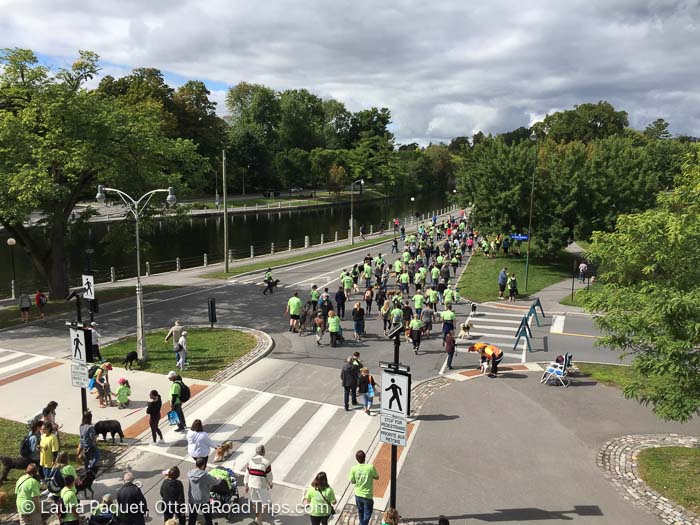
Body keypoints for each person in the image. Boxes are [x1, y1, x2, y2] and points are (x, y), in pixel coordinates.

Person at [244, 445, 273, 525]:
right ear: (263, 452)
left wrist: (246, 485)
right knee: (266, 503)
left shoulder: (250, 461)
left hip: (251, 484)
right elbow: (269, 476)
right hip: (261, 485)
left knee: (255, 501)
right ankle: (259, 519)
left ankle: (257, 516)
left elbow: (247, 474)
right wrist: (270, 483)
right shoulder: (266, 462)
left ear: (256, 452)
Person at [348, 450, 379, 525]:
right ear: (365, 457)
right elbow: (377, 477)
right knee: (368, 513)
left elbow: (351, 481)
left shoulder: (353, 469)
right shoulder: (370, 467)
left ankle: (362, 523)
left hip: (358, 494)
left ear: (356, 459)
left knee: (361, 512)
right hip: (367, 495)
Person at [188, 457, 218, 525]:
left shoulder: (190, 473)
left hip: (193, 499)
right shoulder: (205, 475)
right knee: (207, 516)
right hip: (203, 499)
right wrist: (219, 479)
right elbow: (215, 482)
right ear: (203, 465)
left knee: (192, 517)